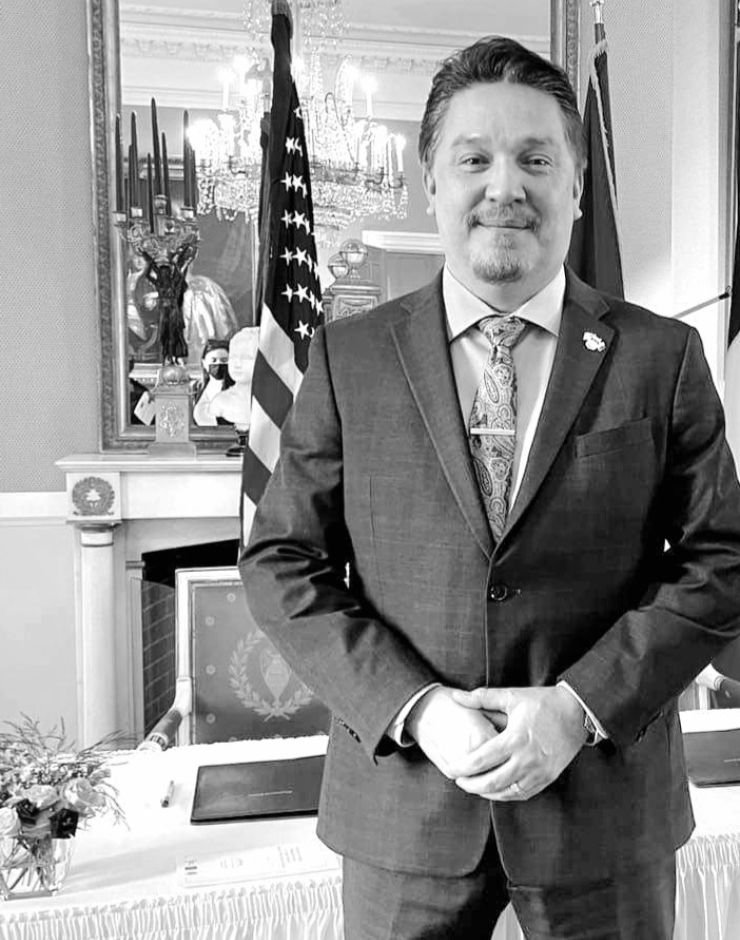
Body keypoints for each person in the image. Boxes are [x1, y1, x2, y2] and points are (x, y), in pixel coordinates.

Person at [239, 36, 740, 940]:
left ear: (576, 188)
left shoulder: (661, 359)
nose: (504, 185)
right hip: (406, 812)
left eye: (536, 159)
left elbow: (722, 558)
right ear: (431, 183)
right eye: (474, 158)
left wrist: (579, 708)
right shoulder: (349, 359)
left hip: (604, 817)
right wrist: (416, 709)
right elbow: (281, 560)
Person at [210, 326, 260, 428]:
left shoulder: (272, 404)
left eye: (246, 358)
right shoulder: (220, 402)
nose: (237, 364)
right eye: (233, 357)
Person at [192, 338, 233, 426]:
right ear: (204, 363)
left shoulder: (236, 390)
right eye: (213, 360)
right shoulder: (197, 387)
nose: (218, 364)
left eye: (224, 360)